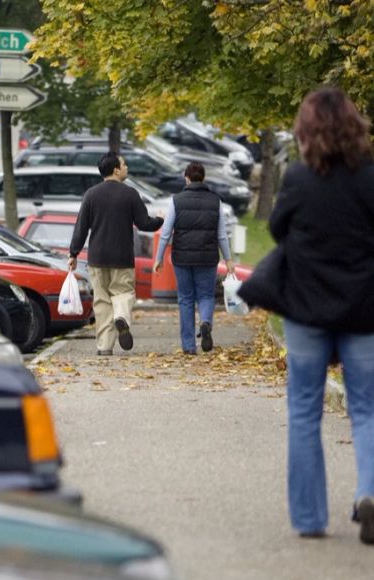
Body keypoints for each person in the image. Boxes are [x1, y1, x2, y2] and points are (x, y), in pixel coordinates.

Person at [240, 87, 374, 543]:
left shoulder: (298, 178)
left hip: (306, 309)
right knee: (368, 410)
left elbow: (277, 229)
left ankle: (310, 518)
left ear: (305, 131)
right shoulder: (371, 177)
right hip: (365, 310)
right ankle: (368, 493)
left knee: (303, 411)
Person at [68, 152, 163, 355]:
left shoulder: (91, 194)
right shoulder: (130, 194)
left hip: (97, 257)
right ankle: (121, 317)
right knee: (123, 292)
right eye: (124, 164)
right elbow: (144, 223)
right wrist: (160, 220)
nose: (127, 167)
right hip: (122, 257)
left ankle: (104, 347)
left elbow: (81, 227)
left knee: (101, 301)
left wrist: (73, 253)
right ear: (116, 170)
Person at [152, 161, 235, 354]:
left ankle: (189, 346)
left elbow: (166, 232)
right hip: (207, 257)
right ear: (203, 178)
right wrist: (229, 259)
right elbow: (222, 234)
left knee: (186, 299)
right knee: (206, 295)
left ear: (186, 178)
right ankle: (205, 322)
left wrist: (159, 257)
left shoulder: (176, 200)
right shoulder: (216, 201)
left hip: (182, 258)